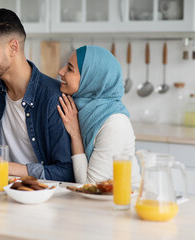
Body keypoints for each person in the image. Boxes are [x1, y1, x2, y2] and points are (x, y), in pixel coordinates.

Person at [0, 8, 75, 182]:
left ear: (13, 47)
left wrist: (6, 168)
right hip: (4, 189)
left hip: (42, 197)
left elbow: (66, 172)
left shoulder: (53, 98)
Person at [57, 45, 141, 185]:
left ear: (92, 79)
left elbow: (90, 185)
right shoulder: (79, 109)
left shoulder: (114, 124)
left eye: (70, 69)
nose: (61, 71)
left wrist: (75, 134)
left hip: (124, 202)